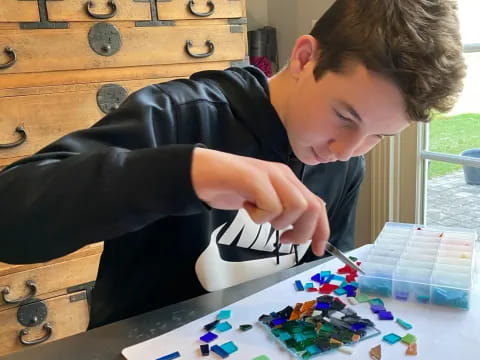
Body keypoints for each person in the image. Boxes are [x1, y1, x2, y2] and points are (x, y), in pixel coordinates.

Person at [0, 0, 465, 329]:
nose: (346, 149)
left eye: (379, 137)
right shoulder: (178, 116)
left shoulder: (345, 164)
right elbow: (11, 218)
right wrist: (189, 173)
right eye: (345, 116)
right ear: (305, 58)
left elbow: (320, 274)